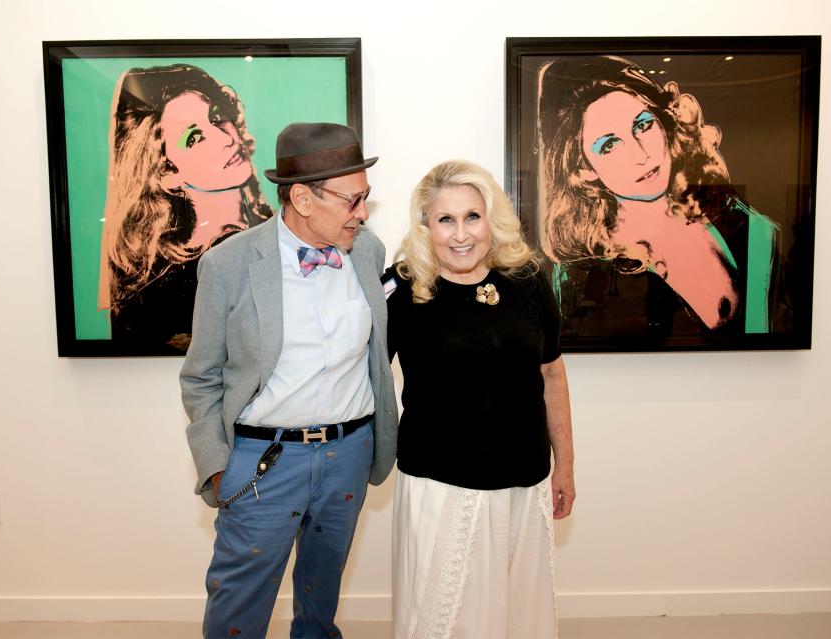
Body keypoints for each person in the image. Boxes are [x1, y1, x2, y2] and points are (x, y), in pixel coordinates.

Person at [180, 122, 398, 639]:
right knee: (239, 605)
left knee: (321, 599)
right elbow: (201, 376)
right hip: (261, 462)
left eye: (365, 198)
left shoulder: (367, 252)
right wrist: (217, 468)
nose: (362, 213)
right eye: (352, 201)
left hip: (348, 454)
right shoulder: (229, 265)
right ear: (301, 197)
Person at [383, 160, 574, 639]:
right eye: (445, 219)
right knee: (444, 615)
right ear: (426, 227)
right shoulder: (403, 289)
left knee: (513, 613)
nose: (460, 234)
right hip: (438, 484)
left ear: (494, 219)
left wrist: (564, 466)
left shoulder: (529, 282)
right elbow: (363, 377)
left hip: (522, 481)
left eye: (473, 216)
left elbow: (552, 373)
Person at [537, 55, 784, 343]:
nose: (642, 155)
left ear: (664, 123)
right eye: (610, 144)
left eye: (642, 126)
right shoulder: (582, 273)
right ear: (583, 169)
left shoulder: (740, 223)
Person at [98, 63, 274, 353]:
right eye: (194, 137)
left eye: (217, 118)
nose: (226, 139)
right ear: (167, 171)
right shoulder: (163, 292)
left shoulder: (282, 235)